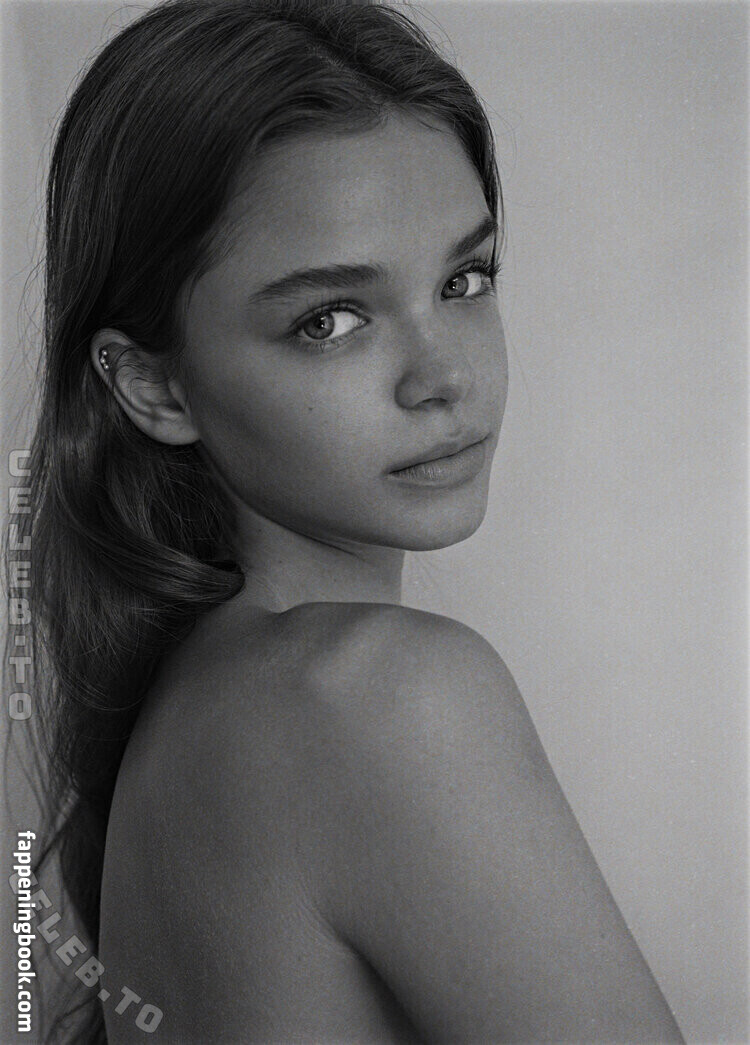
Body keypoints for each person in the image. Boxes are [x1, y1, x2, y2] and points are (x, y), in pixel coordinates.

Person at [7, 0, 686, 1041]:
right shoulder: (380, 700)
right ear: (153, 385)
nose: (444, 375)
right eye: (329, 320)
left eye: (464, 278)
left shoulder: (188, 721)